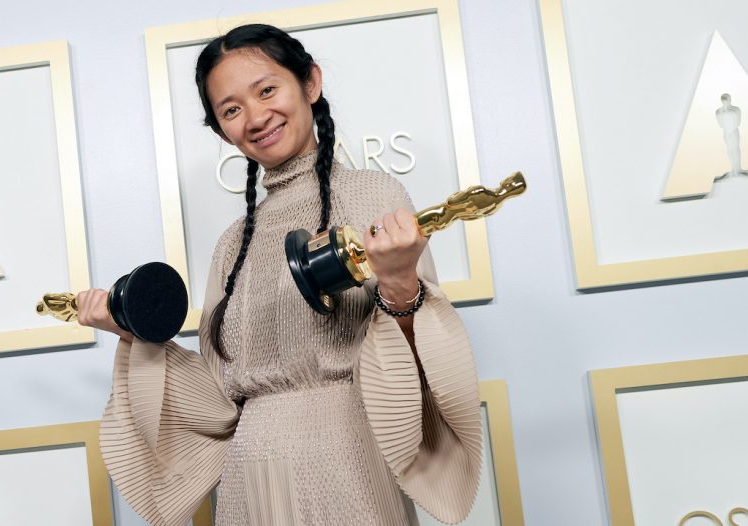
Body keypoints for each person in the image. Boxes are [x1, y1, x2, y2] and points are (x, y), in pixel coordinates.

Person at [76, 24, 482, 526]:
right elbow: (219, 398)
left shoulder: (373, 195)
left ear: (310, 83)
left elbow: (417, 366)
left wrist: (401, 283)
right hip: (251, 476)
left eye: (267, 89)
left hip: (348, 457)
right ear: (221, 129)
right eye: (231, 109)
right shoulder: (232, 244)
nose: (255, 117)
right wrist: (135, 335)